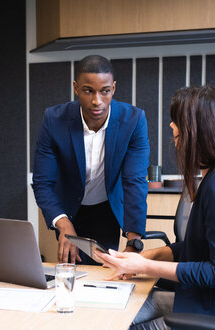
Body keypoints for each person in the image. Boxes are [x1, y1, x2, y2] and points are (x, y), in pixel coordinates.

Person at [96, 86, 215, 330]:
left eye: (177, 119)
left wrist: (145, 266)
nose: (171, 124)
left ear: (197, 129)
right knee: (120, 306)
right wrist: (138, 259)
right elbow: (195, 247)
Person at [32, 55, 149, 265]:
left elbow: (134, 181)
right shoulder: (54, 120)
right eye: (88, 91)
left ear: (113, 88)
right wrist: (63, 222)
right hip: (68, 210)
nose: (97, 101)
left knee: (107, 272)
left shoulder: (133, 120)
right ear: (76, 88)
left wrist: (134, 241)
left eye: (104, 91)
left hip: (106, 210)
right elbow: (43, 182)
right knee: (70, 271)